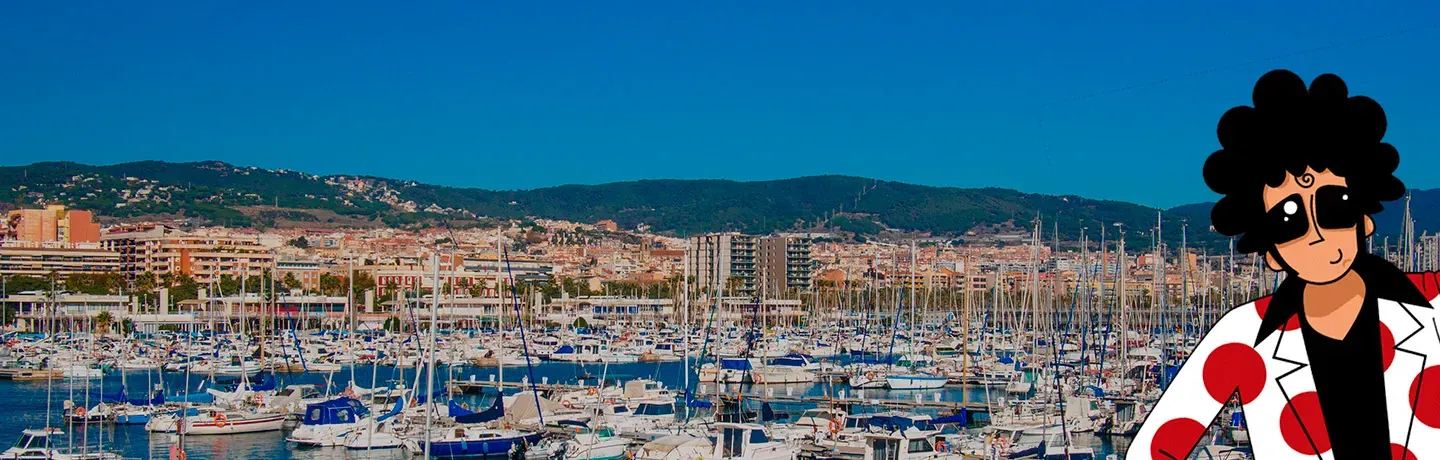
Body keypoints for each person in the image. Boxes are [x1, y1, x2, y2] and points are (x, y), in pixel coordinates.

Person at [1126, 69, 1439, 459]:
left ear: (1365, 219)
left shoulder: (1433, 304)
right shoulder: (1242, 337)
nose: (1318, 233)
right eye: (1289, 222)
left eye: (1335, 207)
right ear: (1271, 252)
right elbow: (1155, 447)